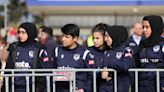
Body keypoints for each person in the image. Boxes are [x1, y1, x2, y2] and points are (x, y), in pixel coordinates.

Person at [1, 22, 51, 92]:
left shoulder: (39, 48)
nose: (20, 35)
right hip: (15, 88)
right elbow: (8, 69)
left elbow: (46, 70)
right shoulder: (14, 47)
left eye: (23, 32)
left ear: (30, 33)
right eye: (19, 32)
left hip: (33, 88)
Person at [53, 23, 95, 92]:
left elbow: (91, 75)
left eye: (66, 37)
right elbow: (52, 70)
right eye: (62, 36)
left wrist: (85, 89)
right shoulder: (57, 51)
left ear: (75, 38)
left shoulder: (84, 53)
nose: (63, 39)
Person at [101, 25, 136, 92]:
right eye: (105, 36)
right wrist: (103, 73)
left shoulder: (127, 50)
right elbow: (104, 67)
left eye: (107, 36)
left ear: (115, 36)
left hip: (123, 87)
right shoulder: (107, 52)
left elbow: (124, 66)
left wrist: (109, 66)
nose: (105, 39)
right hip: (109, 88)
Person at [138, 15, 164, 92]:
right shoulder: (142, 44)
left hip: (159, 86)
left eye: (147, 27)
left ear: (155, 27)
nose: (144, 30)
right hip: (142, 86)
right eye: (143, 27)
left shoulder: (162, 44)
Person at [87, 23, 109, 91]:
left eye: (97, 38)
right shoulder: (88, 51)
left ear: (105, 37)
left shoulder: (111, 51)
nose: (94, 41)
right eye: (93, 38)